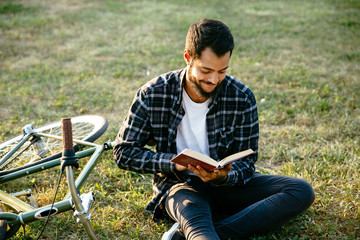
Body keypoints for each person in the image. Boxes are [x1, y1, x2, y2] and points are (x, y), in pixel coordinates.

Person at [114, 19, 315, 240]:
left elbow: (247, 162)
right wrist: (174, 163)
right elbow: (123, 152)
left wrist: (223, 176)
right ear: (188, 57)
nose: (213, 79)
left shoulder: (241, 97)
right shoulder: (153, 93)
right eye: (206, 70)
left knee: (300, 191)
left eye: (222, 71)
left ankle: (184, 236)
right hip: (180, 186)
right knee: (201, 230)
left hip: (227, 187)